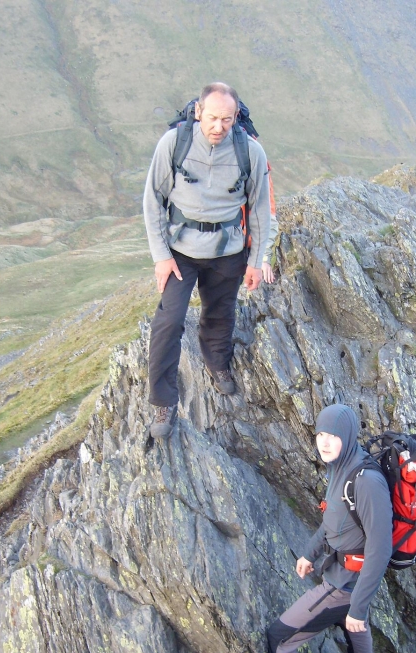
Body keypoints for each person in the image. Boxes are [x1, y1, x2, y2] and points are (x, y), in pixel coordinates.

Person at [254, 404, 392, 653]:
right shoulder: (343, 467)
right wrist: (309, 553)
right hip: (345, 577)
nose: (325, 442)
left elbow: (381, 549)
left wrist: (358, 606)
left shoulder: (367, 482)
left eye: (333, 436)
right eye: (320, 435)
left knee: (279, 639)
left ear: (347, 436)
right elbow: (334, 520)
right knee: (352, 624)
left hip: (344, 585)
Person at [143, 82, 271, 439]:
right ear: (198, 112)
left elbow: (260, 209)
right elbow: (153, 199)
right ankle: (164, 401)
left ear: (236, 117)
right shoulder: (174, 143)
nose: (219, 126)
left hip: (228, 250)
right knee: (169, 323)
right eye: (212, 118)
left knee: (221, 313)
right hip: (180, 251)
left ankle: (217, 365)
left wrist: (256, 261)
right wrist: (161, 256)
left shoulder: (250, 151)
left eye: (227, 119)